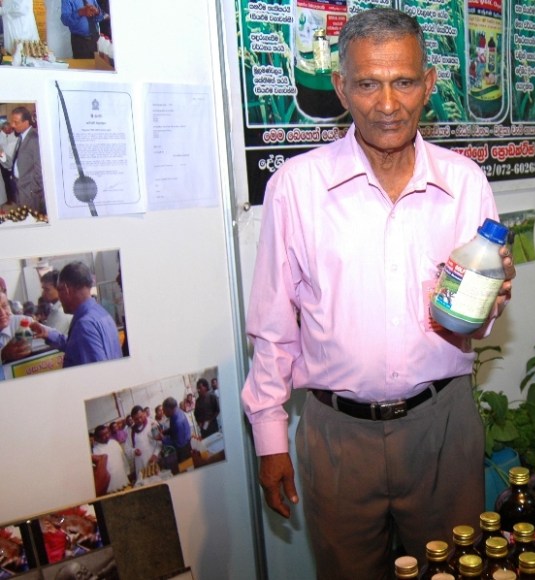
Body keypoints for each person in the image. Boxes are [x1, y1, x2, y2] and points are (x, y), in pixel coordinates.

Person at [240, 8, 515, 578]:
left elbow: (474, 322)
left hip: (443, 428)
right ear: (341, 87)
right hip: (337, 437)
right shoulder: (297, 186)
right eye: (367, 83)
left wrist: (489, 302)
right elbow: (272, 324)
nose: (387, 104)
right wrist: (269, 435)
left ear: (428, 84)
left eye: (404, 82)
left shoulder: (464, 183)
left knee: (454, 572)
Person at [31, 261, 122, 368]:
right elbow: (77, 347)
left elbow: (96, 376)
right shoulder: (102, 314)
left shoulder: (85, 325)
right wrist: (48, 334)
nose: (59, 297)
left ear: (66, 289)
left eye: (59, 290)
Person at [0, 106, 44, 215]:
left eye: (16, 122)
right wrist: (2, 156)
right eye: (12, 122)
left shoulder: (34, 138)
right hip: (20, 189)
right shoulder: (21, 137)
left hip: (30, 192)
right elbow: (15, 163)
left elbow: (40, 169)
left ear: (26, 122)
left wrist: (33, 191)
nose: (13, 125)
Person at [0, 290, 33, 379]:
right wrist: (2, 355)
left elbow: (51, 334)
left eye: (4, 306)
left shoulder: (22, 321)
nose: (2, 313)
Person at [91, 424, 130, 495]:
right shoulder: (95, 451)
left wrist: (127, 472)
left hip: (123, 478)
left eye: (107, 433)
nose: (107, 436)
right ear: (97, 438)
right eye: (103, 435)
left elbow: (123, 458)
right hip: (110, 486)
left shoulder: (114, 443)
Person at [126, 405, 161, 479]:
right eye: (136, 419)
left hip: (154, 459)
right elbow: (127, 449)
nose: (139, 420)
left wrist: (155, 454)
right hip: (140, 463)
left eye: (141, 416)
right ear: (132, 419)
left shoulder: (152, 423)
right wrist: (134, 451)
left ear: (144, 413)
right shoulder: (131, 431)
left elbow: (160, 441)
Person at [40, 270, 73, 335]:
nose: (43, 293)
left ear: (59, 288)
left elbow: (52, 340)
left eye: (47, 289)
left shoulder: (61, 311)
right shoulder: (55, 309)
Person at [161, 396, 192, 464]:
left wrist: (163, 438)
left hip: (183, 449)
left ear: (169, 409)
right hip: (184, 443)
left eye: (164, 411)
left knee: (186, 467)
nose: (164, 413)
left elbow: (178, 443)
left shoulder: (178, 422)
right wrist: (165, 432)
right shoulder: (176, 412)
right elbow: (173, 429)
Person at [0, 122, 19, 206]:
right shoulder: (1, 137)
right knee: (6, 181)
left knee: (8, 181)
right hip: (3, 161)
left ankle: (10, 198)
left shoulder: (9, 136)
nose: (10, 129)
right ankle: (8, 199)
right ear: (4, 128)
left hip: (7, 160)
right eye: (9, 128)